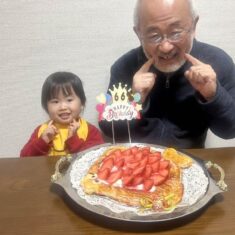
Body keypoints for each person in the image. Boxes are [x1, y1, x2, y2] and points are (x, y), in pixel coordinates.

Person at [99, 0, 235, 148]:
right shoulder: (124, 67)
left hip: (191, 158)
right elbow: (111, 132)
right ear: (139, 33)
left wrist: (213, 95)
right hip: (138, 159)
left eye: (175, 33)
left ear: (194, 25)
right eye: (154, 36)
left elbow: (230, 131)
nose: (165, 47)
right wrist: (135, 99)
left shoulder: (217, 62)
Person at [20, 71, 104, 157]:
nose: (63, 107)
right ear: (46, 107)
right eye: (55, 101)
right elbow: (24, 157)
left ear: (82, 103)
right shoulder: (42, 130)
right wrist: (43, 140)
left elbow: (97, 158)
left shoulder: (89, 130)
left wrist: (73, 139)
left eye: (69, 100)